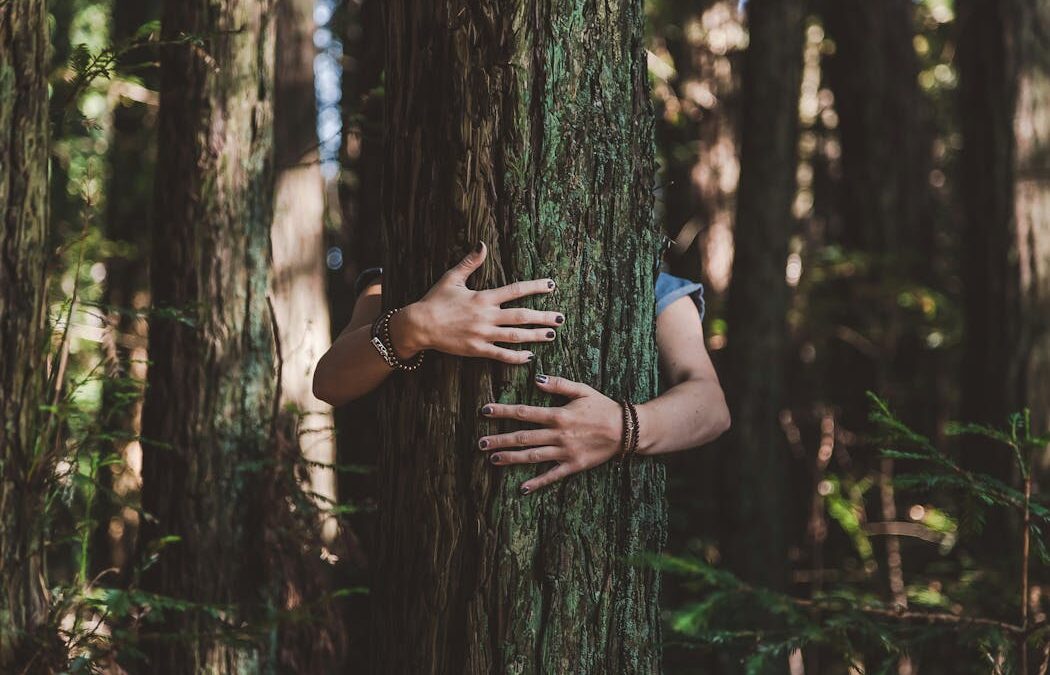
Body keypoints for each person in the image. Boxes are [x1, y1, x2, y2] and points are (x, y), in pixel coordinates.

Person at [313, 241, 730, 495]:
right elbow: (330, 381)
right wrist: (416, 326)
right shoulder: (405, 273)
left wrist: (622, 427)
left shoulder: (648, 285)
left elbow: (710, 406)